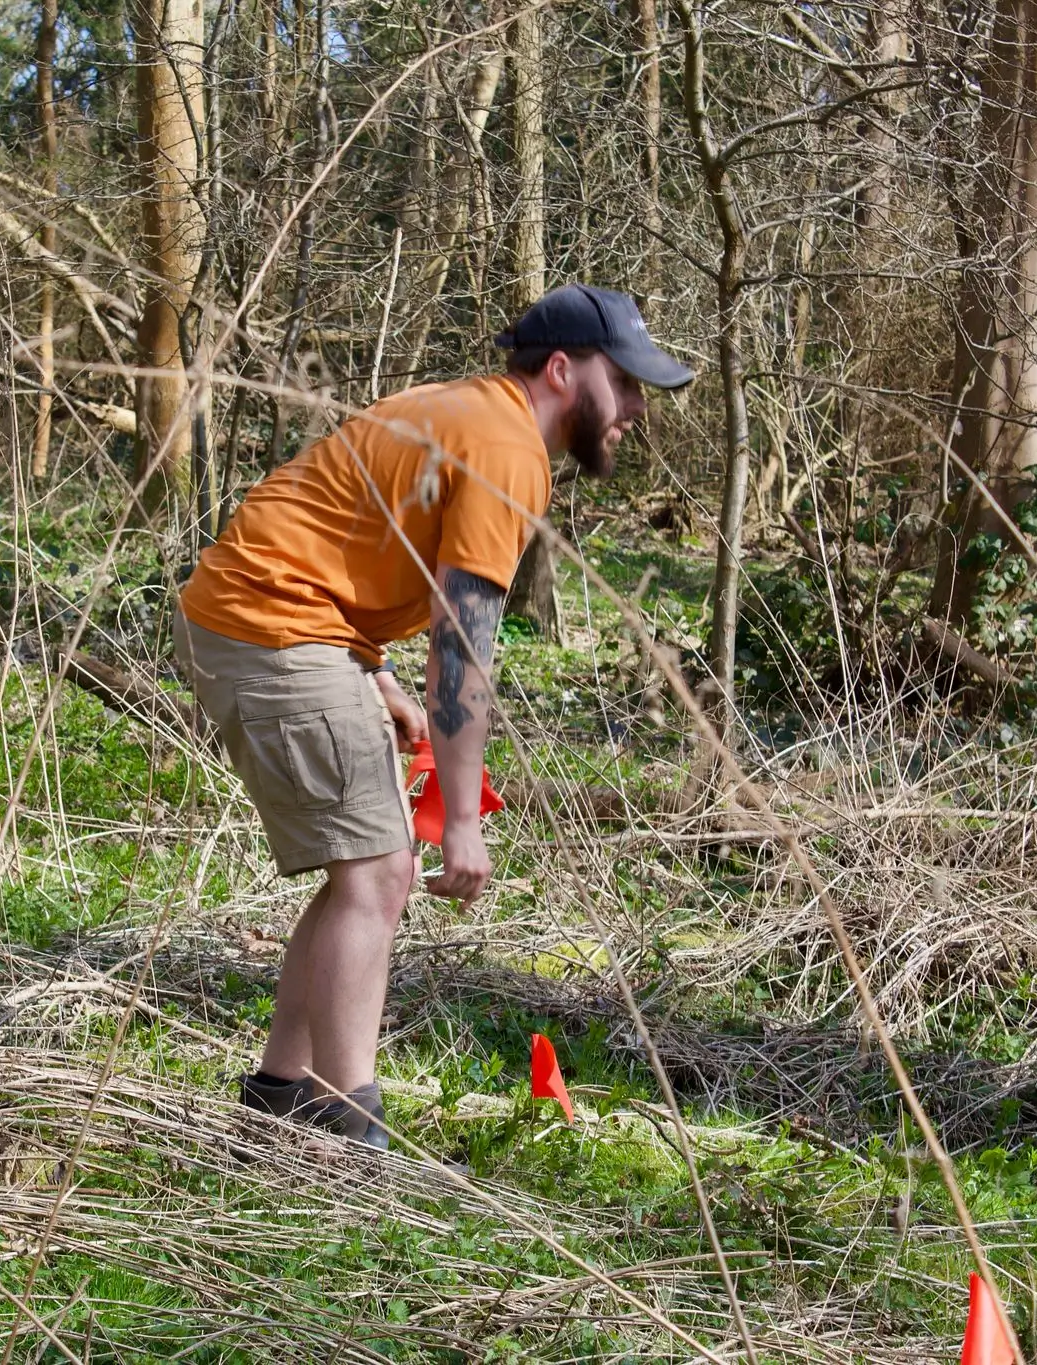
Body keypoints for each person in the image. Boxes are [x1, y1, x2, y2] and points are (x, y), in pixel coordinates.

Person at [176, 284, 694, 1149]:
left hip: (267, 616)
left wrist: (369, 670)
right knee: (379, 875)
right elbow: (462, 652)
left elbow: (347, 528)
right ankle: (348, 1130)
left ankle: (280, 1097)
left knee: (360, 873)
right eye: (627, 380)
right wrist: (461, 822)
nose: (637, 406)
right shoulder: (505, 451)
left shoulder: (465, 414)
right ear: (563, 370)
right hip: (272, 624)